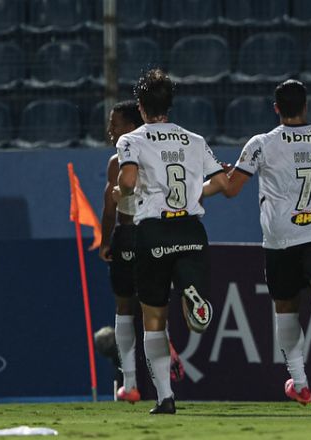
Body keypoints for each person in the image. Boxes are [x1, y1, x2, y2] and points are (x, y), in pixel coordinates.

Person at [212, 79, 311, 405]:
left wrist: (220, 173)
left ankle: (299, 383)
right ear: (306, 106)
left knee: (285, 308)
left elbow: (231, 189)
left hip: (280, 239)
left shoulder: (262, 143)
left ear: (276, 109)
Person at [116, 69, 228, 414]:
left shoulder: (131, 140)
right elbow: (222, 183)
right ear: (170, 105)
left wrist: (123, 188)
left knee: (153, 318)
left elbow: (130, 179)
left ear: (141, 106)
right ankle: (191, 293)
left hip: (153, 232)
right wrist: (197, 191)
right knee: (186, 288)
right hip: (190, 229)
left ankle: (165, 396)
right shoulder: (194, 140)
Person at [98, 100, 184, 404]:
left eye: (116, 123)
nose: (111, 129)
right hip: (161, 234)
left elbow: (111, 207)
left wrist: (105, 240)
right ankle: (166, 349)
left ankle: (130, 383)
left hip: (130, 232)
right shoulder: (163, 155)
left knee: (124, 307)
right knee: (155, 304)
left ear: (132, 126)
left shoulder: (118, 160)